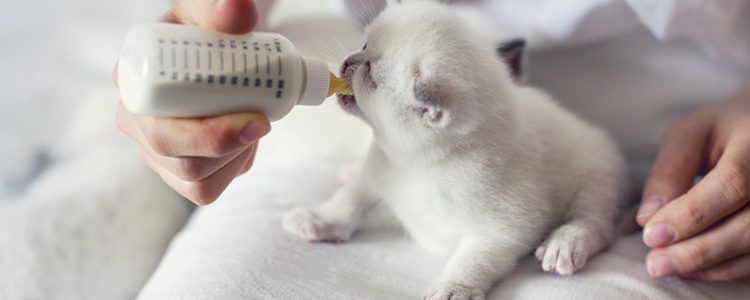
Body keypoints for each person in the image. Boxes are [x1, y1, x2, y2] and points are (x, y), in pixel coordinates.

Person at [114, 0, 750, 283]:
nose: (352, 64)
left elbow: (504, 227)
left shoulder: (485, 167)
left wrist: (462, 279)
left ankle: (591, 222)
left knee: (594, 169)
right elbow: (378, 171)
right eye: (363, 53)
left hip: (689, 142)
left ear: (432, 112)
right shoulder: (407, 128)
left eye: (369, 65)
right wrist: (203, 29)